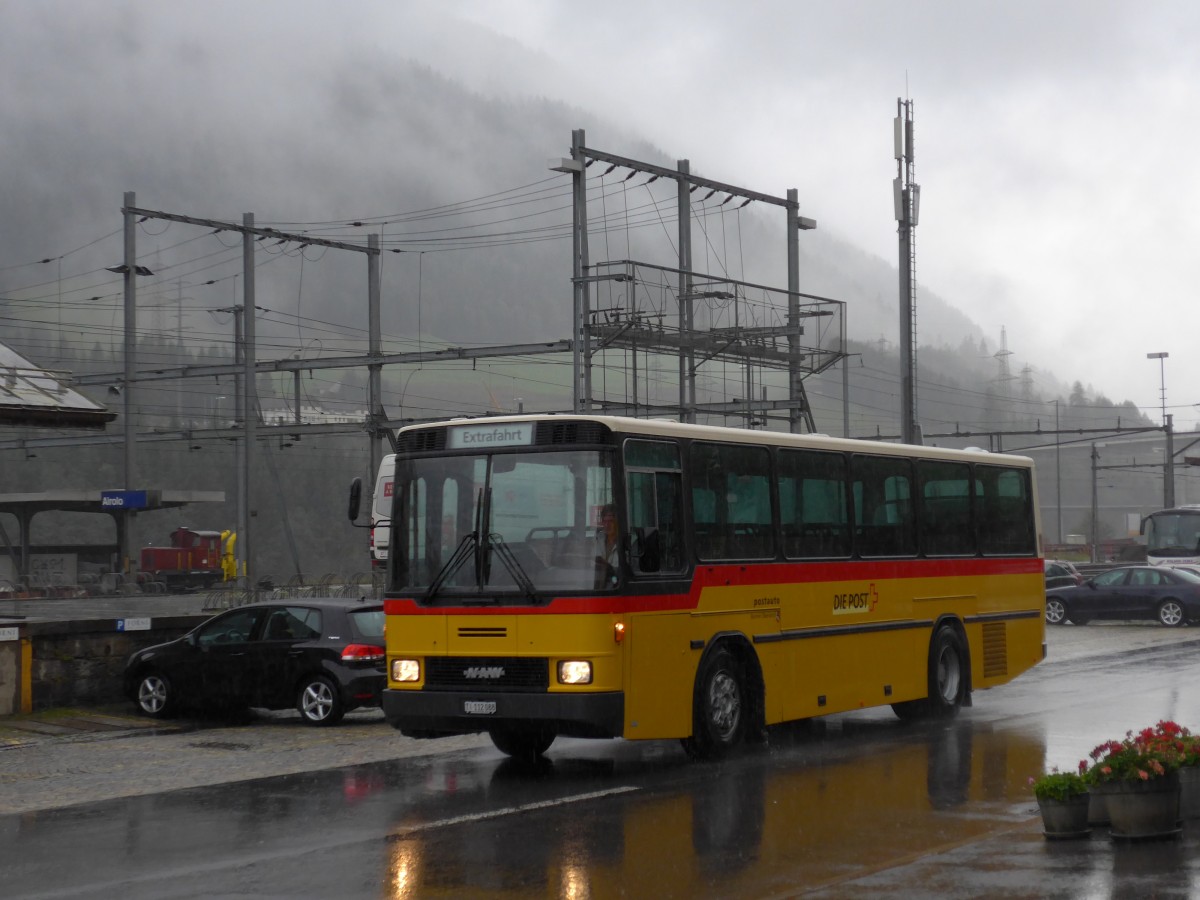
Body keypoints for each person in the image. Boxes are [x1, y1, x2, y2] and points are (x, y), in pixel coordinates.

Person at [594, 504, 619, 585]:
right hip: (600, 583)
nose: (607, 525)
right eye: (605, 521)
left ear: (617, 522)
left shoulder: (628, 542)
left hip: (618, 584)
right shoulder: (598, 539)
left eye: (611, 521)